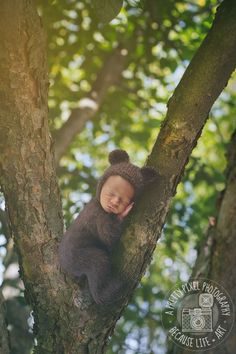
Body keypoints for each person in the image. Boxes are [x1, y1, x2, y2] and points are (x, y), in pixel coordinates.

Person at [59, 149, 157, 305]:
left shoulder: (101, 209)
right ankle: (102, 293)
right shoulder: (97, 213)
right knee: (98, 261)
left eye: (123, 200)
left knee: (98, 261)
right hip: (75, 254)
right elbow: (110, 239)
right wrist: (119, 220)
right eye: (111, 194)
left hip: (81, 249)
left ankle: (91, 285)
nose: (115, 201)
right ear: (101, 186)